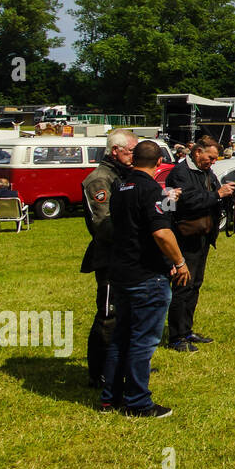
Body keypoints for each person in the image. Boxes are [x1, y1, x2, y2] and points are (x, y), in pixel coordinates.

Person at [102, 140, 191, 418]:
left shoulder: (121, 187)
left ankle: (110, 398)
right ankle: (138, 402)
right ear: (159, 163)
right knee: (143, 340)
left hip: (121, 272)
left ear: (134, 159)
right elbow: (161, 232)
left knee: (121, 336)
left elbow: (136, 224)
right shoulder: (150, 188)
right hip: (146, 275)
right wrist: (179, 262)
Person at [165, 136, 235, 352]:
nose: (212, 162)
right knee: (182, 286)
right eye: (210, 157)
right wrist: (217, 193)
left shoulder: (206, 172)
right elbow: (189, 201)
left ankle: (186, 331)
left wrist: (227, 194)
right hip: (185, 237)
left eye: (215, 159)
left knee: (195, 285)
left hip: (203, 237)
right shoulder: (180, 173)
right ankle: (176, 337)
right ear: (197, 153)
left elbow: (211, 196)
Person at [80, 129, 136, 388]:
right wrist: (138, 230)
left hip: (128, 255)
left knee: (129, 314)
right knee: (108, 315)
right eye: (131, 151)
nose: (134, 155)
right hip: (110, 256)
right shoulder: (99, 180)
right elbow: (103, 224)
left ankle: (124, 365)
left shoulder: (123, 175)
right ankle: (99, 372)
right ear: (115, 151)